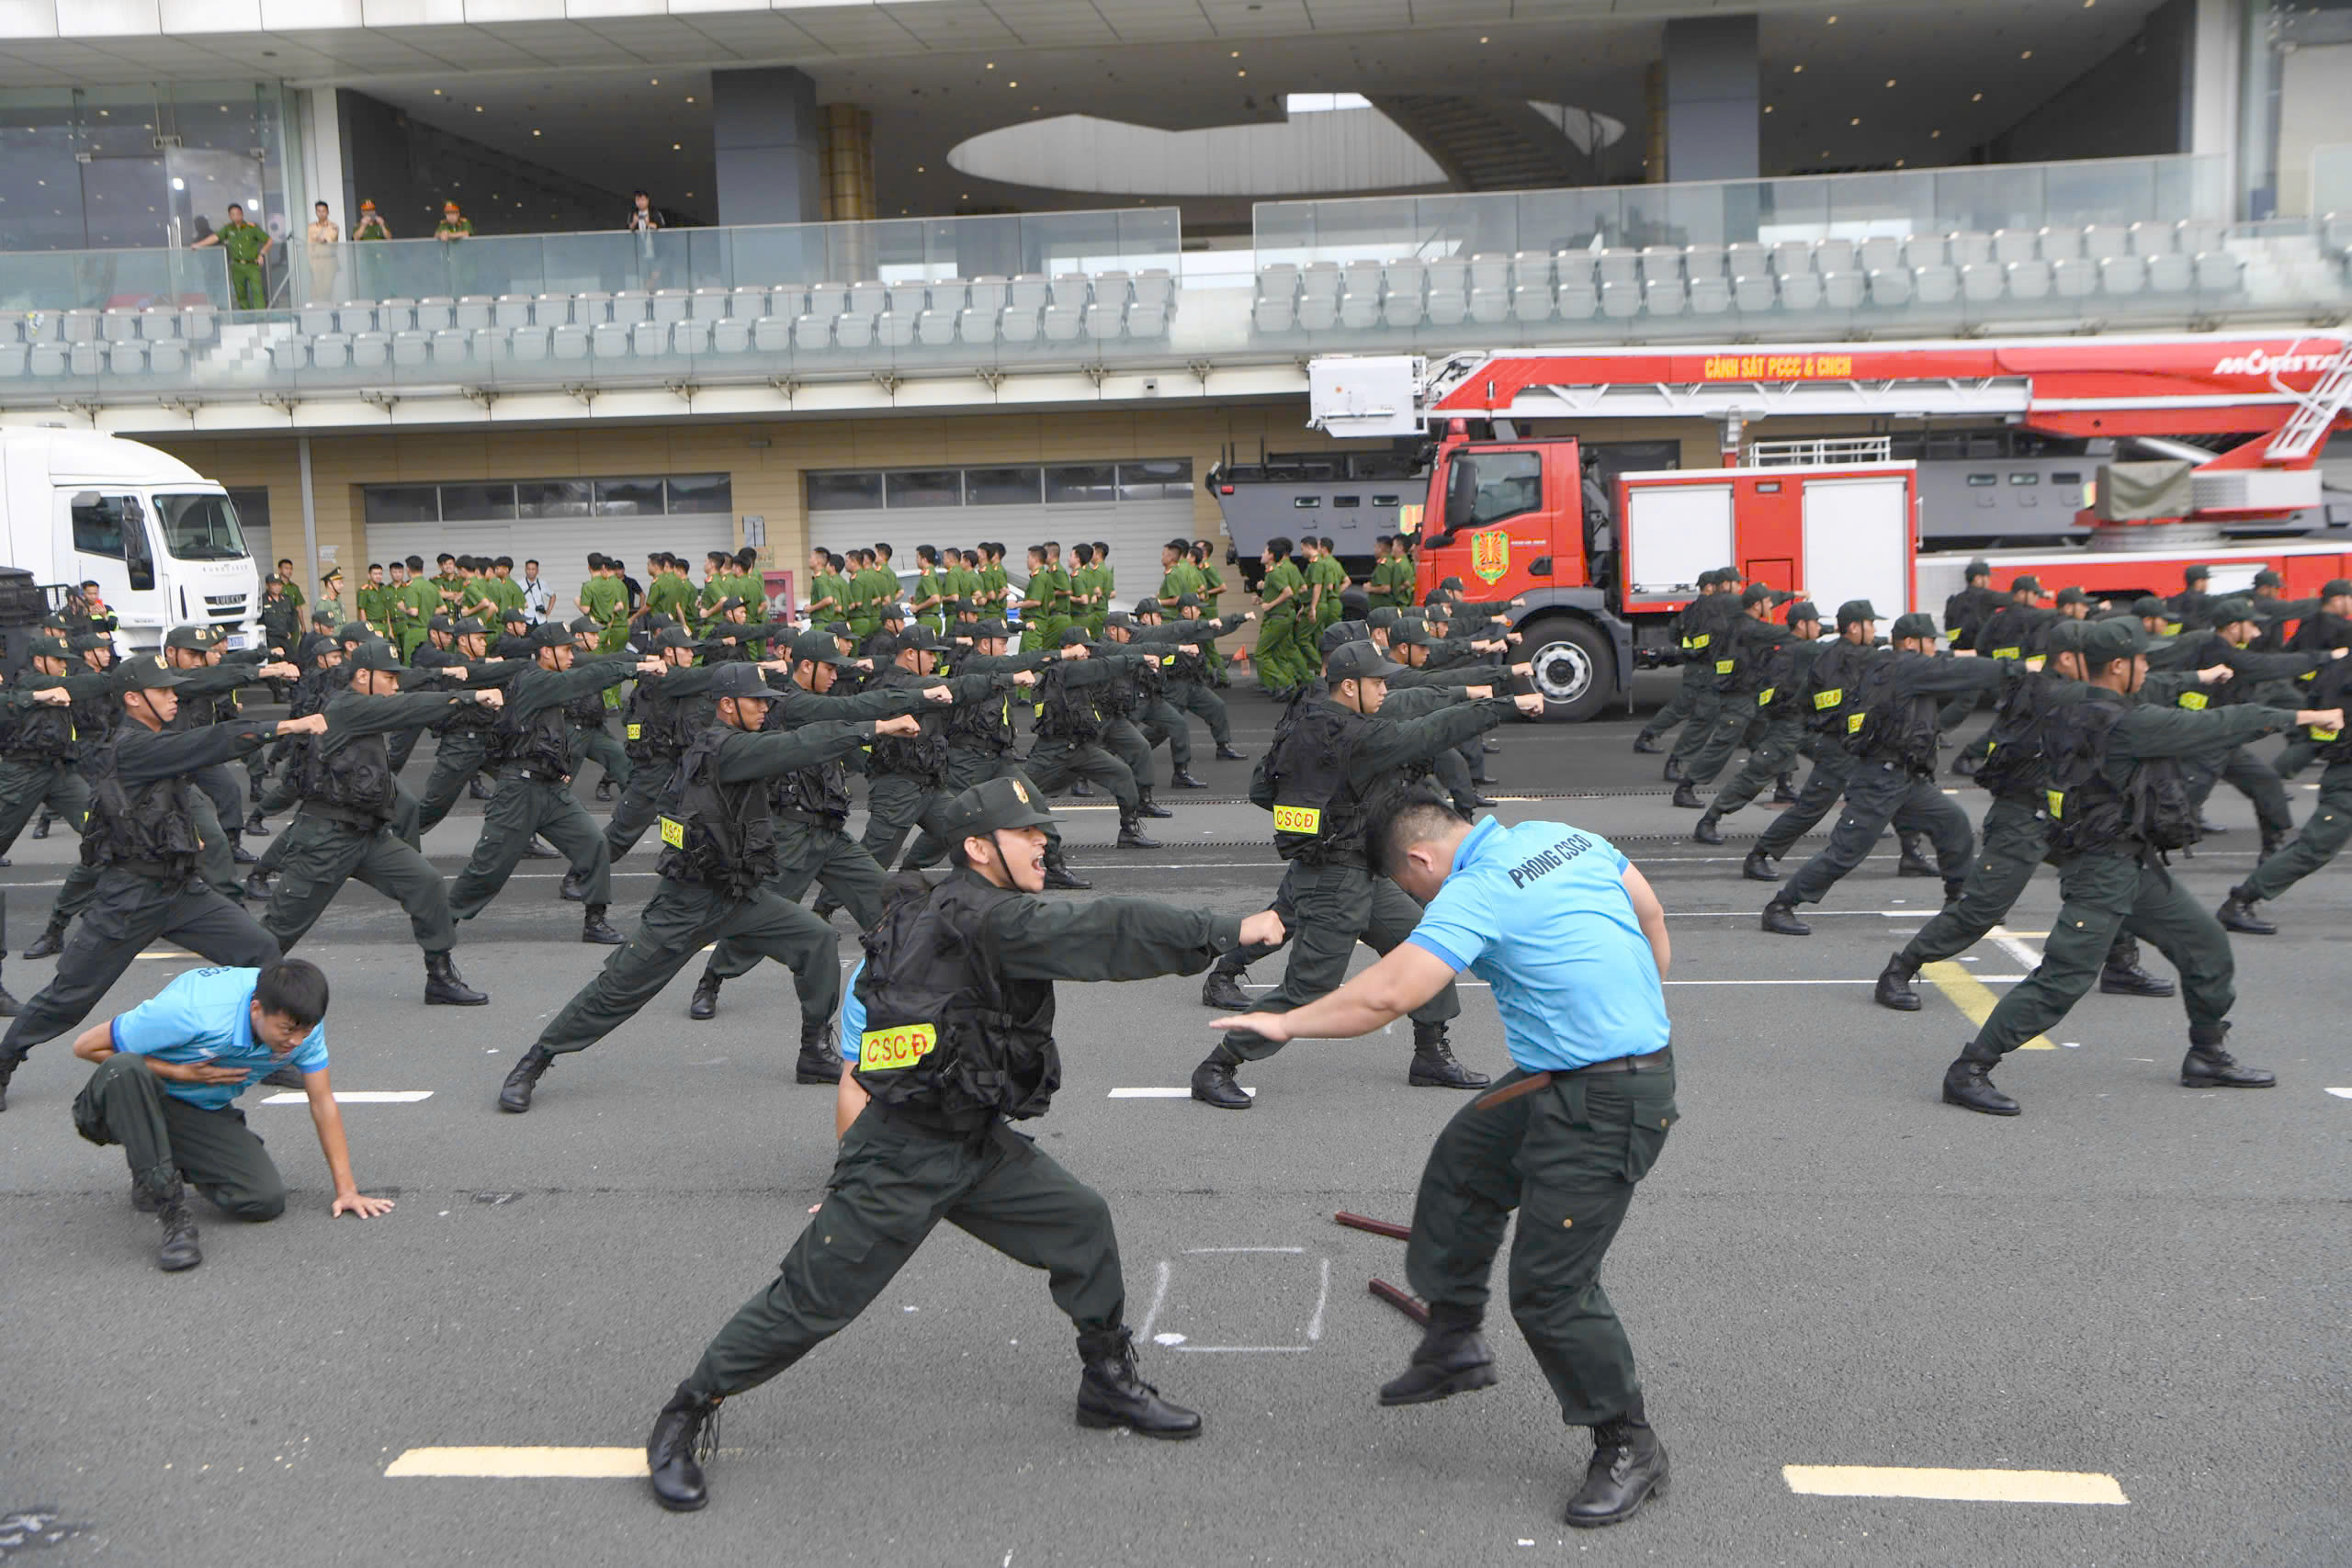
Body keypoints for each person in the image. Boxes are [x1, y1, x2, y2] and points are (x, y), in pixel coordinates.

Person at [636, 777, 1287, 1513]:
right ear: (978, 848)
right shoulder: (991, 918)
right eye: (1027, 833)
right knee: (808, 1302)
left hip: (970, 1137)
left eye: (1045, 830)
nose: (1046, 841)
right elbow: (1103, 929)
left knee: (1079, 1223)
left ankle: (1105, 1381)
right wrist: (1228, 929)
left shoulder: (950, 904)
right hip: (902, 1154)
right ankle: (686, 1412)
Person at [1220, 795, 1676, 1529]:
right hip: (1556, 1073)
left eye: (1408, 888)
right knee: (1463, 1159)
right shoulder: (1561, 836)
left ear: (1421, 860)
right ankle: (1454, 1339)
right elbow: (1649, 909)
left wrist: (1285, 1020)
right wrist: (1639, 1001)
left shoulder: (1477, 888)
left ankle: (1630, 1441)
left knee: (1550, 1286)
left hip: (1608, 1097)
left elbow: (1390, 995)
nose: (1415, 900)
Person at [1940, 618, 2341, 1116]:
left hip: (2132, 863)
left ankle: (2207, 1055)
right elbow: (2217, 724)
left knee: (2206, 948)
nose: (2149, 666)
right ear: (2118, 666)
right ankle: (1970, 1069)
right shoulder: (2123, 724)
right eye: (2142, 659)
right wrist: (2303, 717)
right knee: (2065, 977)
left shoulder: (2088, 702)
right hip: (2101, 869)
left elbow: (2173, 692)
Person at [497, 664, 915, 1115]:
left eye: (767, 699)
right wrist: (877, 726)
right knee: (617, 989)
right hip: (688, 903)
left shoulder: (729, 744)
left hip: (737, 894)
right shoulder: (726, 748)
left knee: (815, 940)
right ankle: (536, 1060)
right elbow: (799, 745)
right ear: (726, 705)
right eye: (756, 700)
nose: (765, 707)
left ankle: (813, 1051)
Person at [1191, 639, 1545, 1108]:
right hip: (1336, 881)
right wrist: (1508, 704)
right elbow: (1429, 732)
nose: (1384, 689)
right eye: (1377, 682)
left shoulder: (1309, 723)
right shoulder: (1360, 738)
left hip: (1352, 870)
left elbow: (1264, 788)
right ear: (1349, 687)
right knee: (1308, 990)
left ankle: (1430, 1055)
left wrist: (1326, 812)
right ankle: (1218, 1064)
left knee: (1427, 949)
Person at [0, 657, 326, 1111]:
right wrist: (285, 727)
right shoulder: (133, 748)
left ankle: (267, 1054)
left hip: (180, 890)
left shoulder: (157, 737)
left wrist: (256, 672)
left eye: (175, 690)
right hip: (129, 896)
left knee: (260, 951)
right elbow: (210, 741)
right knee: (71, 994)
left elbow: (202, 688)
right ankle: (5, 1058)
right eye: (165, 691)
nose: (174, 696)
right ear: (134, 699)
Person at [1873, 618, 2185, 1011]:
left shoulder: (2071, 690)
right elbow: (2126, 696)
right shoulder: (2055, 693)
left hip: (2064, 816)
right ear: (2069, 659)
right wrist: (2196, 682)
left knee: (2112, 877)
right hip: (2023, 818)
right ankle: (1901, 969)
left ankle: (2121, 964)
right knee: (1980, 909)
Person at [65, 958, 392, 1272]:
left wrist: (346, 1190)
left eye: (305, 1032)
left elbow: (322, 1102)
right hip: (121, 1100)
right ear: (256, 1010)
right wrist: (178, 1073)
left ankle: (163, 1157)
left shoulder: (303, 1027)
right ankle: (173, 1214)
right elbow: (86, 1047)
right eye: (288, 1030)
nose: (295, 1042)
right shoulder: (192, 1013)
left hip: (196, 1111)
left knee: (263, 1199)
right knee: (126, 1068)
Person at [257, 644, 494, 1007]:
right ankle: (228, 996)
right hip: (325, 838)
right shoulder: (348, 706)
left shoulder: (365, 703)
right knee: (277, 931)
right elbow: (406, 707)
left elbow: (407, 690)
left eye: (397, 678)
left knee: (425, 882)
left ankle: (440, 978)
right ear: (363, 676)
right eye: (389, 677)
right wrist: (468, 697)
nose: (395, 685)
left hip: (367, 835)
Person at [1761, 613, 2004, 936]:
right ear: (1909, 643)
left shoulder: (1900, 665)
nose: (1933, 647)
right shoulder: (1905, 667)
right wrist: (2014, 671)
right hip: (1879, 779)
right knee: (1844, 853)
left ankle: (1959, 900)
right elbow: (1956, 670)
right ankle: (1781, 906)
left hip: (1906, 778)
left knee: (1953, 822)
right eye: (1929, 641)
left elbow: (1950, 668)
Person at [447, 623, 662, 946]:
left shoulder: (545, 680)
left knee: (593, 845)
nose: (572, 655)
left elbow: (547, 729)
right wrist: (635, 668)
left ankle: (595, 921)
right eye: (566, 650)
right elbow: (585, 678)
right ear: (547, 652)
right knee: (488, 869)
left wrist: (558, 766)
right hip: (518, 792)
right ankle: (442, 918)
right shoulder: (536, 680)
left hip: (549, 789)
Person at [192, 202, 270, 310]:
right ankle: (246, 317)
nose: (236, 216)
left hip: (252, 265)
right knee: (240, 294)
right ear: (230, 216)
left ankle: (261, 318)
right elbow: (215, 238)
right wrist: (198, 245)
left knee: (257, 291)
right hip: (235, 266)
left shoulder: (252, 227)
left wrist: (262, 254)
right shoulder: (227, 229)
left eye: (238, 214)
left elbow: (268, 240)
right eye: (233, 214)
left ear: (242, 214)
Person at [304, 201, 339, 302]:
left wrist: (320, 239)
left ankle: (328, 308)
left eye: (323, 211)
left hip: (329, 259)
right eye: (318, 211)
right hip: (315, 260)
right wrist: (309, 261)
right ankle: (320, 309)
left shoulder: (333, 226)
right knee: (316, 287)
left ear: (328, 212)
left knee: (328, 287)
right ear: (316, 212)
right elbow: (309, 245)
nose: (321, 213)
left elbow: (330, 239)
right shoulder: (310, 227)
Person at [521, 559, 554, 626]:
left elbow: (553, 595)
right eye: (528, 569)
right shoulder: (519, 584)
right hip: (526, 618)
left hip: (541, 618)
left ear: (537, 571)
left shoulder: (542, 583)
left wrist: (548, 611)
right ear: (525, 570)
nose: (530, 571)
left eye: (533, 569)